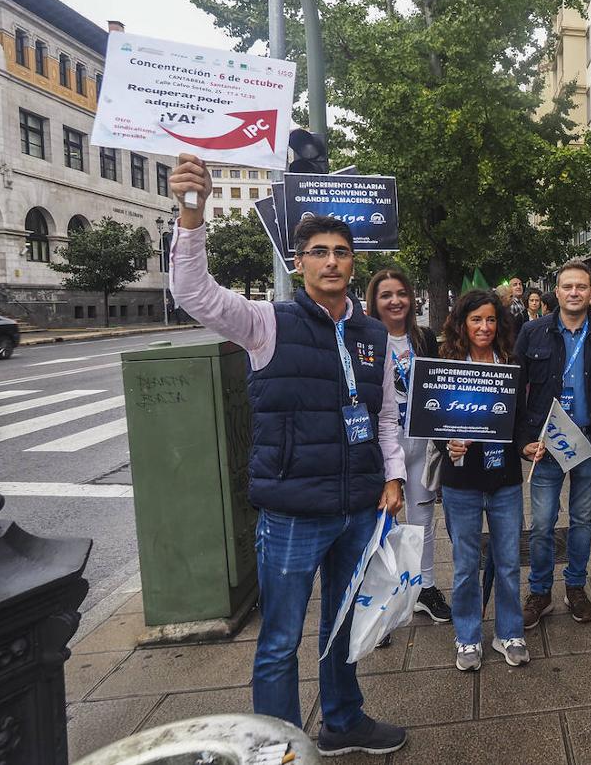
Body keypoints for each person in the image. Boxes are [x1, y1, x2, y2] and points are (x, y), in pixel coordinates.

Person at [167, 155, 408, 756]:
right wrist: (192, 212)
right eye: (319, 252)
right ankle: (275, 747)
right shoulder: (264, 323)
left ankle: (343, 722)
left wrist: (394, 478)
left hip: (358, 505)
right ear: (298, 262)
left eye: (341, 252)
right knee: (279, 639)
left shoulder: (372, 333)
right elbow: (193, 292)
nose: (331, 261)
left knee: (342, 624)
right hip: (295, 512)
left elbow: (383, 414)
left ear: (355, 263)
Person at [515, 261, 591, 629]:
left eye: (581, 286)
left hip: (589, 441)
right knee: (543, 523)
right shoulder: (533, 331)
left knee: (581, 519)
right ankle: (540, 591)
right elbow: (516, 391)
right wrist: (523, 441)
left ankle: (575, 586)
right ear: (556, 292)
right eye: (567, 287)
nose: (574, 292)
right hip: (546, 444)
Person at [436, 289, 531, 670]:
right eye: (476, 320)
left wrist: (527, 446)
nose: (485, 327)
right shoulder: (445, 362)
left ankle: (508, 632)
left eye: (491, 319)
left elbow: (521, 418)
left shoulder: (510, 362)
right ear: (462, 323)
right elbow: (431, 421)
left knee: (508, 562)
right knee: (464, 566)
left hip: (505, 478)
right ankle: (468, 637)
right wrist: (447, 444)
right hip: (461, 482)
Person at [365, 269, 452, 622]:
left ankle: (425, 588)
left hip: (421, 443)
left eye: (401, 293)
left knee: (422, 521)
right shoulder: (365, 339)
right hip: (381, 444)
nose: (395, 301)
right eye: (386, 295)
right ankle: (381, 600)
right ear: (374, 301)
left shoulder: (424, 338)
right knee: (382, 525)